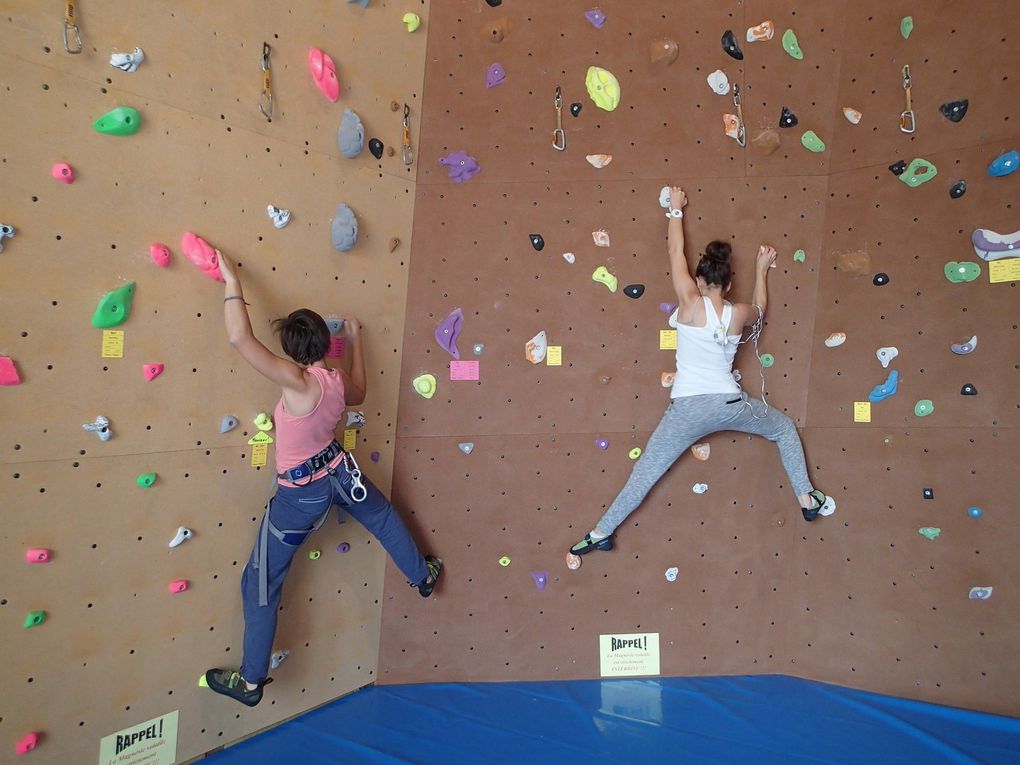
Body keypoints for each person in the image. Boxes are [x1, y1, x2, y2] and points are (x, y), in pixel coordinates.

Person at [204, 252, 441, 707]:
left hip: (302, 495)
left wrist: (231, 278)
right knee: (384, 517)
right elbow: (361, 390)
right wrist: (353, 338)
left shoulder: (295, 381)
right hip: (339, 470)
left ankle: (252, 683)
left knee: (260, 581)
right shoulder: (333, 381)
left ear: (292, 350)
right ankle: (422, 575)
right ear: (323, 344)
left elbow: (239, 337)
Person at [569, 186, 828, 558]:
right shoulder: (737, 313)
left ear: (700, 281)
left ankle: (599, 533)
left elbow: (676, 253)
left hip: (687, 409)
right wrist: (761, 269)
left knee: (645, 471)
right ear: (727, 284)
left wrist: (675, 210)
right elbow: (760, 307)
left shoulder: (689, 303)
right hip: (729, 403)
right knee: (784, 430)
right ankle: (806, 498)